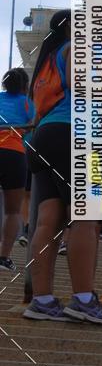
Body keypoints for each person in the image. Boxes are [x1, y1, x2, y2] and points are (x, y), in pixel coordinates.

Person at [24, 10, 102, 323]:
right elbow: (86, 87)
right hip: (77, 135)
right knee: (87, 216)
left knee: (47, 221)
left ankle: (42, 299)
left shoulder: (47, 60)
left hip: (44, 136)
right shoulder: (76, 49)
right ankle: (84, 299)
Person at [0, 68, 35, 270]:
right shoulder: (27, 103)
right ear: (25, 85)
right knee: (12, 211)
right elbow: (32, 128)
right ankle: (3, 258)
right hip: (14, 153)